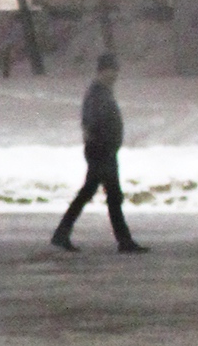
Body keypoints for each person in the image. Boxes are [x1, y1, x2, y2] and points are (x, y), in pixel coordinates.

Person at [52, 52, 147, 253]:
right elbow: (94, 123)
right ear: (102, 71)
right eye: (111, 71)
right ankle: (124, 241)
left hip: (102, 150)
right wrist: (104, 143)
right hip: (101, 151)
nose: (114, 75)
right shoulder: (98, 93)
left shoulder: (102, 92)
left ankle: (62, 233)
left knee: (91, 193)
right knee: (112, 196)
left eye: (115, 71)